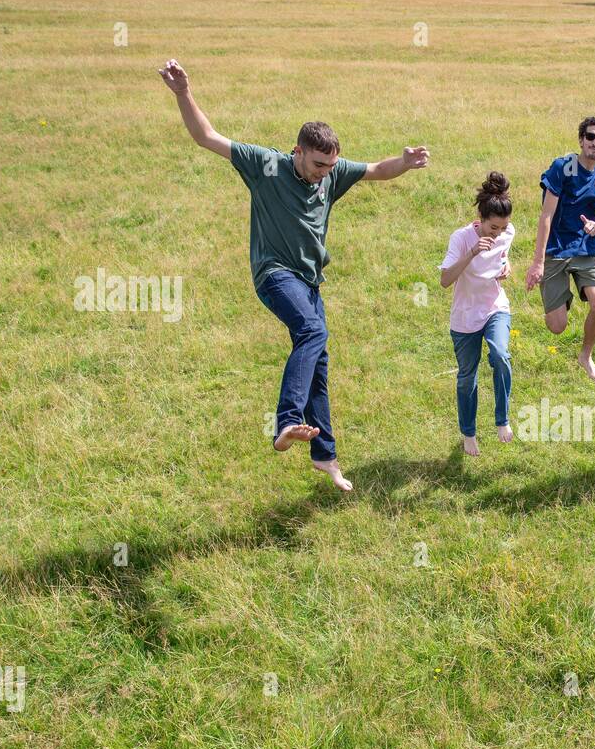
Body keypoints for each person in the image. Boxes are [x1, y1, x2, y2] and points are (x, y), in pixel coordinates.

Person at [157, 58, 430, 491]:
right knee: (311, 332)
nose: (326, 173)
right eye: (319, 164)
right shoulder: (265, 165)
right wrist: (182, 93)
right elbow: (205, 137)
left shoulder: (332, 172)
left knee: (319, 361)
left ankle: (326, 457)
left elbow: (377, 171)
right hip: (273, 273)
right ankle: (286, 421)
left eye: (330, 165)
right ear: (298, 151)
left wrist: (404, 160)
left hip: (308, 279)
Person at [525, 117, 595, 384]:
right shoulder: (562, 168)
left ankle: (585, 357)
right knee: (557, 327)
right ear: (581, 140)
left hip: (586, 249)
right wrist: (537, 262)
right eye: (590, 137)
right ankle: (561, 296)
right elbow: (546, 216)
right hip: (556, 250)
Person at [439, 173, 517, 456]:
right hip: (465, 317)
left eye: (502, 227)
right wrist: (472, 252)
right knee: (467, 376)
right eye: (493, 227)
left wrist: (506, 268)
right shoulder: (461, 238)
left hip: (495, 307)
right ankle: (468, 433)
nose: (497, 233)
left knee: (500, 355)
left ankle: (502, 419)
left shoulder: (507, 233)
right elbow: (445, 280)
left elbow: (503, 259)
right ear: (480, 219)